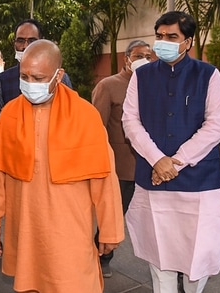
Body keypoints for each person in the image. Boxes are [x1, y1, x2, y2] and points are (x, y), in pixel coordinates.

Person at [0, 39, 124, 293]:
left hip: (70, 233)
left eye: (38, 77)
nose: (30, 84)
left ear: (59, 76)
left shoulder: (85, 116)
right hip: (25, 229)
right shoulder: (9, 115)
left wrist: (109, 230)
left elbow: (105, 178)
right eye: (25, 76)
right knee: (29, 283)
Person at [122, 11, 220, 293]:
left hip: (199, 182)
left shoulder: (208, 74)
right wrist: (157, 160)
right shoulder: (142, 76)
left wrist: (175, 162)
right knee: (160, 257)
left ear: (188, 41)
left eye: (172, 37)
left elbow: (216, 125)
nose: (163, 42)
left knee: (200, 253)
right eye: (159, 36)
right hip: (154, 180)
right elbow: (130, 120)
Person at [91, 39, 151, 277]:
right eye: (139, 56)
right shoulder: (109, 86)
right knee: (114, 215)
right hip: (120, 167)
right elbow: (96, 126)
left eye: (149, 55)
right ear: (126, 59)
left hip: (149, 165)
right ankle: (100, 256)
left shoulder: (152, 85)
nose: (144, 60)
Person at [0, 19, 72, 143]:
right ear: (14, 43)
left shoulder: (59, 78)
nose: (25, 46)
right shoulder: (2, 81)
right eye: (20, 40)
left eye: (32, 41)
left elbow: (69, 119)